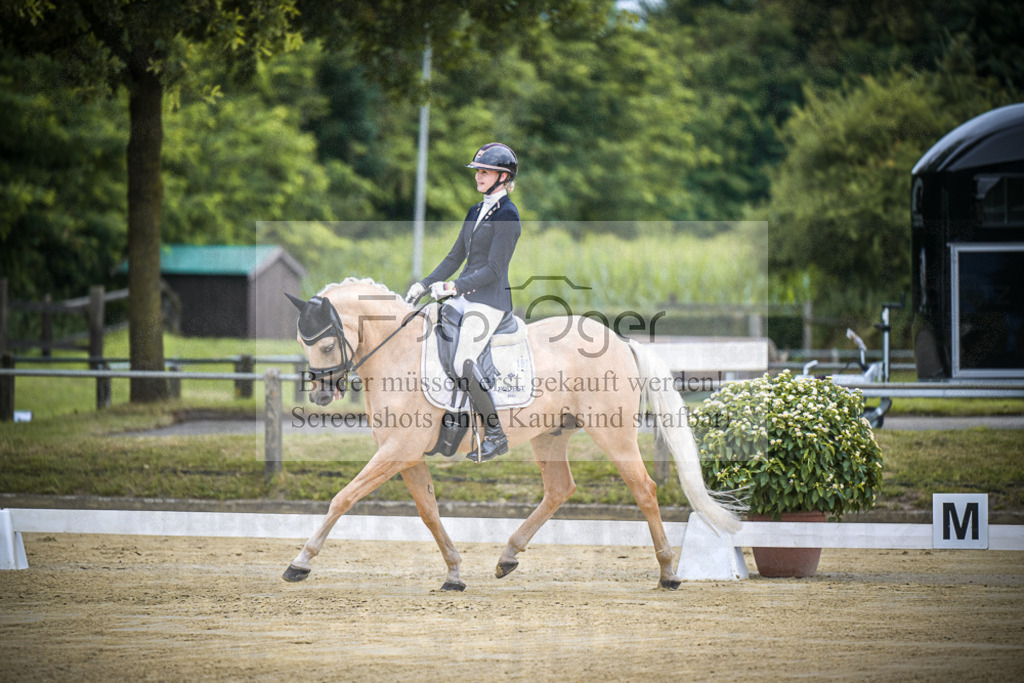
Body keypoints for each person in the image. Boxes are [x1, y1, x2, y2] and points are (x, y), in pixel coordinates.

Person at [405, 142, 521, 461]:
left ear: (502, 176)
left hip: (489, 301)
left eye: (484, 171)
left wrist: (454, 287)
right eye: (478, 171)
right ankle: (444, 422)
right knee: (425, 335)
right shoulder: (475, 210)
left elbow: (494, 269)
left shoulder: (509, 216)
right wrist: (424, 284)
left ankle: (495, 434)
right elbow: (456, 255)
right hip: (464, 296)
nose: (478, 176)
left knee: (461, 361)